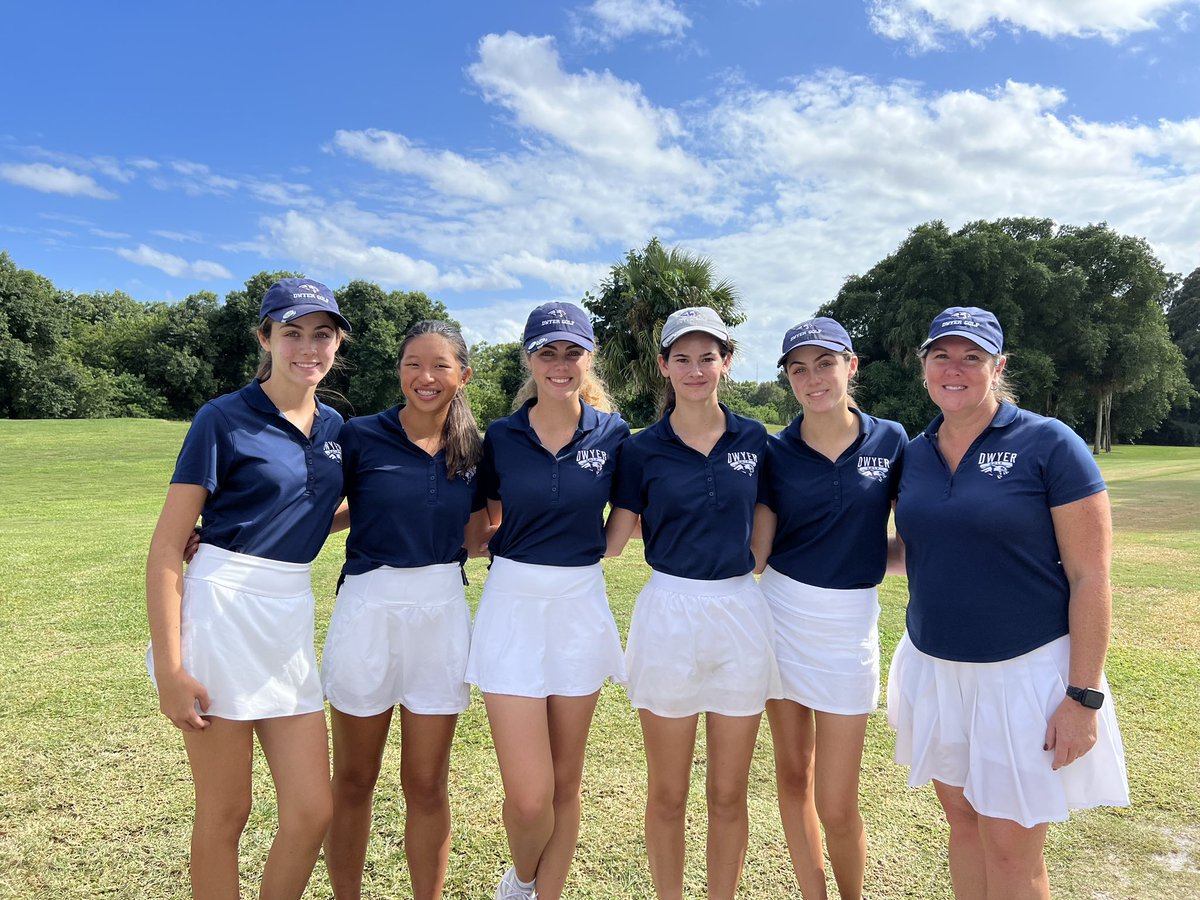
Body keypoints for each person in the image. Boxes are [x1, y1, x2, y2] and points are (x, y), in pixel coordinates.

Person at [888, 306, 1129, 900]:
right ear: (924, 365)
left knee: (1010, 846)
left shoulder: (1048, 443)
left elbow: (1090, 575)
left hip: (1023, 675)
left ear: (998, 366)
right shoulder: (912, 454)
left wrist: (1083, 696)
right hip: (936, 667)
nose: (955, 368)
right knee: (963, 826)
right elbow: (914, 551)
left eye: (972, 357)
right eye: (942, 355)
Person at [145, 278, 350, 899]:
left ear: (337, 343)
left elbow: (311, 512)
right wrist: (173, 670)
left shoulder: (337, 427)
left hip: (287, 619)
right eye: (292, 332)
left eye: (322, 334)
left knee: (312, 810)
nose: (307, 347)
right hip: (219, 614)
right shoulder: (222, 417)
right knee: (226, 812)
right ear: (266, 338)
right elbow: (165, 549)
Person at [606, 306, 782, 900]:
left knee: (730, 793)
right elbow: (614, 535)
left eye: (708, 356)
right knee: (668, 791)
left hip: (739, 610)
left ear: (726, 363)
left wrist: (754, 558)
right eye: (682, 357)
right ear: (664, 365)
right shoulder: (641, 449)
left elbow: (767, 505)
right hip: (669, 612)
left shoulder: (754, 436)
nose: (696, 368)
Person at [464, 302, 630, 900]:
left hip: (580, 606)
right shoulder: (500, 437)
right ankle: (523, 879)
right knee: (528, 794)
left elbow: (626, 521)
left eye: (571, 352)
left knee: (565, 784)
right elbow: (479, 518)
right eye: (546, 352)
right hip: (512, 604)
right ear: (528, 358)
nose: (560, 364)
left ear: (589, 359)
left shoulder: (614, 435)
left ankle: (544, 894)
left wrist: (594, 553)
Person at [320, 320, 489, 900]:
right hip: (368, 608)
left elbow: (478, 534)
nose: (425, 377)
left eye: (440, 366)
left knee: (426, 784)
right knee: (354, 780)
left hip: (441, 611)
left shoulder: (475, 449)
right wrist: (222, 534)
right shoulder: (360, 435)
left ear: (462, 376)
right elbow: (316, 505)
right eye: (413, 364)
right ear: (399, 371)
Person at [751, 317, 907, 900]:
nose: (812, 378)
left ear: (851, 365)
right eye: (798, 368)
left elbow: (913, 539)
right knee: (793, 777)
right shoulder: (775, 450)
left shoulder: (891, 440)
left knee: (837, 802)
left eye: (824, 363)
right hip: (780, 617)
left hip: (849, 628)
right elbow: (758, 552)